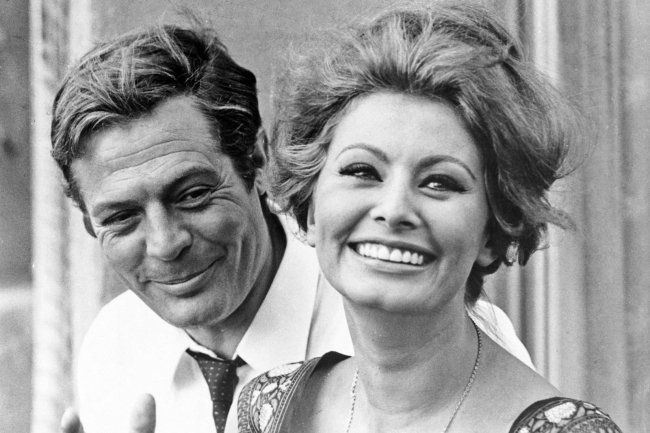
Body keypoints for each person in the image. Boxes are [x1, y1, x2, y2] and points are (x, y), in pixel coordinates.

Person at [51, 18, 534, 433]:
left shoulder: (433, 330)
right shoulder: (114, 344)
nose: (165, 244)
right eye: (122, 218)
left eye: (193, 194)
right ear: (91, 225)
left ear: (257, 158)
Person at [238, 2, 622, 432]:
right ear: (310, 210)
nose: (394, 210)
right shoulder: (268, 407)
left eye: (439, 182)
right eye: (362, 171)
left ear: (493, 232)